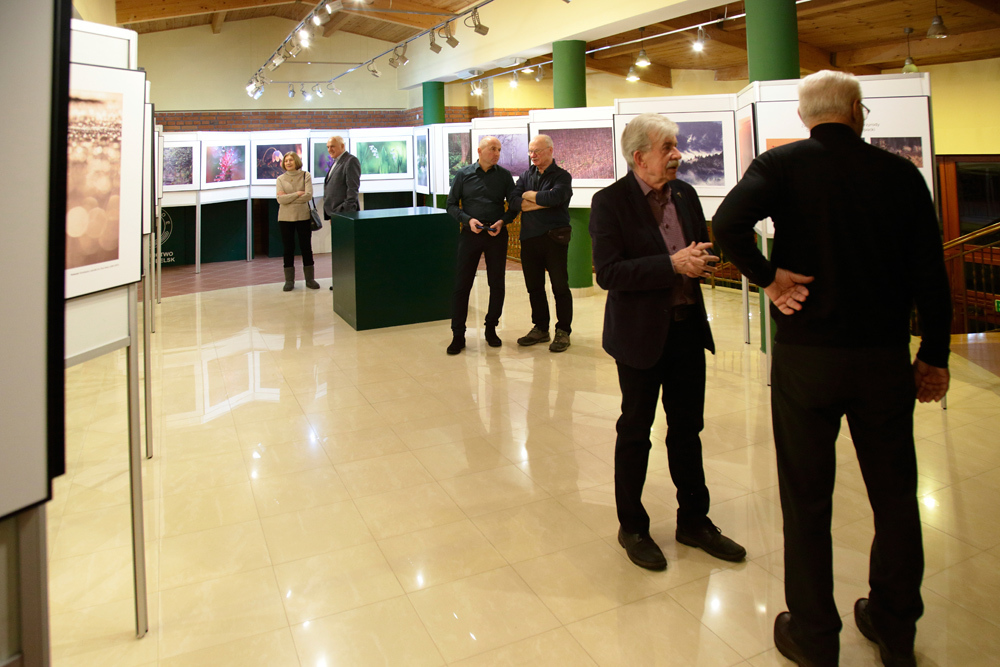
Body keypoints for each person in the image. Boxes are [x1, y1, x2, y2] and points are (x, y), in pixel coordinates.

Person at [712, 70, 951, 667]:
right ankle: (895, 627)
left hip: (808, 360)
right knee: (895, 497)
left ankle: (815, 636)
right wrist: (935, 355)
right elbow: (930, 271)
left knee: (807, 499)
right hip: (882, 360)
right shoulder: (900, 174)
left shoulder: (783, 165)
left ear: (804, 117)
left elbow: (729, 225)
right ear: (858, 111)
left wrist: (769, 279)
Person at [590, 112, 746, 572]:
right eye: (668, 148)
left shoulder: (686, 194)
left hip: (686, 331)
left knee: (687, 430)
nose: (678, 154)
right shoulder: (609, 202)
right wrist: (672, 265)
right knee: (636, 432)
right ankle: (633, 527)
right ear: (639, 157)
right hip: (639, 337)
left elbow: (698, 249)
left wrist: (702, 261)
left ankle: (694, 521)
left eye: (676, 146)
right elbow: (608, 273)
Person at [445, 136, 518, 354]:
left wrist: (502, 221)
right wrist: (467, 220)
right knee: (462, 284)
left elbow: (514, 206)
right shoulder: (463, 174)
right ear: (479, 151)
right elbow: (450, 205)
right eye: (492, 149)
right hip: (471, 234)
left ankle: (491, 329)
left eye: (499, 149)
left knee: (497, 284)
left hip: (496, 234)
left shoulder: (504, 176)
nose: (497, 153)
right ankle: (458, 334)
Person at [510, 134, 574, 353]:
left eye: (537, 151)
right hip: (529, 239)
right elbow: (514, 201)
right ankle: (540, 328)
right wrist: (541, 200)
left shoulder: (562, 176)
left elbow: (555, 198)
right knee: (534, 287)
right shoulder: (526, 175)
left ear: (550, 150)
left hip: (554, 239)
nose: (533, 155)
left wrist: (530, 196)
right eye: (530, 151)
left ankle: (563, 331)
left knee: (560, 286)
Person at [275, 151, 319, 291]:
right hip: (285, 218)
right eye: (286, 160)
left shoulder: (306, 175)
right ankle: (289, 281)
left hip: (303, 217)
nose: (288, 162)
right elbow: (280, 199)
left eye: (291, 160)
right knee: (288, 248)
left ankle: (310, 279)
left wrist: (289, 197)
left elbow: (308, 196)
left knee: (306, 247)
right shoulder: (280, 179)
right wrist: (297, 194)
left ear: (296, 161)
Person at [323, 135, 361, 290]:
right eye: (328, 147)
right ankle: (340, 282)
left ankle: (347, 283)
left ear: (342, 146)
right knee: (340, 251)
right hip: (336, 214)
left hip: (344, 215)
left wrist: (344, 213)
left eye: (332, 146)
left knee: (347, 251)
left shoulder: (351, 161)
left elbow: (352, 191)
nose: (329, 149)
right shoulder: (336, 162)